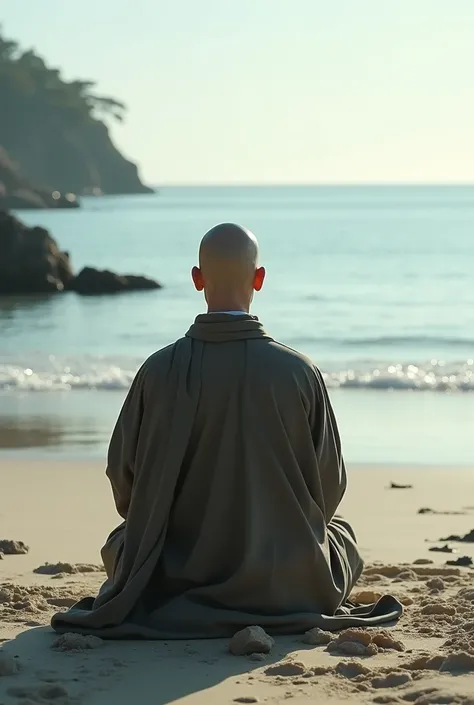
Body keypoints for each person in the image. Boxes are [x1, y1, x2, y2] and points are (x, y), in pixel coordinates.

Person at [52, 223, 402, 639]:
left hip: (172, 576)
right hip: (285, 582)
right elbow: (329, 487)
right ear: (259, 279)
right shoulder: (299, 372)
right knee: (341, 534)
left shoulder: (158, 370)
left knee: (123, 540)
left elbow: (124, 483)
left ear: (197, 279)